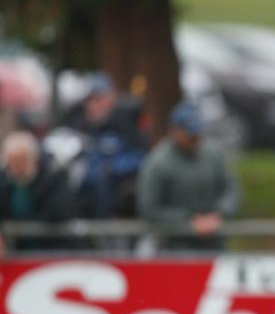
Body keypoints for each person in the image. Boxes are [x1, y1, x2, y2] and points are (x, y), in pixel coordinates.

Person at [137, 101, 239, 251]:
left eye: (197, 132)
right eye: (190, 134)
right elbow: (150, 209)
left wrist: (219, 214)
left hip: (215, 243)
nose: (195, 138)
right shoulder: (158, 163)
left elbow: (230, 189)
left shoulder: (213, 154)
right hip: (175, 247)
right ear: (174, 131)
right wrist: (188, 221)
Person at [64, 72, 148, 218]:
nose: (93, 105)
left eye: (98, 98)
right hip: (83, 205)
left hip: (117, 205)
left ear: (112, 97)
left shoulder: (127, 124)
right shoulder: (78, 125)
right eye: (89, 100)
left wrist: (111, 168)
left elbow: (142, 158)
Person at [0, 131, 76, 257]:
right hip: (17, 253)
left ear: (34, 158)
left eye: (21, 160)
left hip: (52, 251)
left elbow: (59, 214)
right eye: (12, 162)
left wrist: (18, 227)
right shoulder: (4, 183)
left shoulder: (54, 179)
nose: (17, 167)